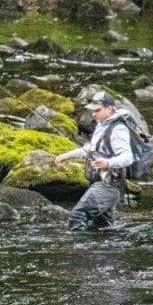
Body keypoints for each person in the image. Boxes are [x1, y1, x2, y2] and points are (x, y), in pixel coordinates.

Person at [53, 90, 134, 231]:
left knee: (77, 216)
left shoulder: (118, 129)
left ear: (109, 109)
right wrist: (67, 155)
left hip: (108, 185)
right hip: (100, 183)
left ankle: (78, 249)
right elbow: (91, 148)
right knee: (102, 227)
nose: (93, 114)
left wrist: (107, 162)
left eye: (97, 110)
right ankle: (104, 250)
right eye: (93, 110)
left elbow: (128, 157)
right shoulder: (102, 125)